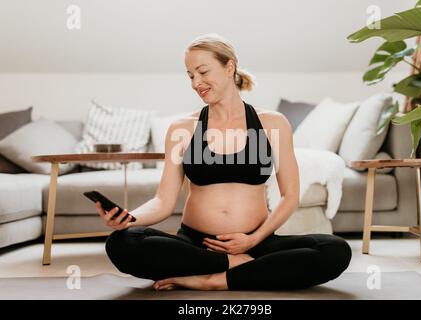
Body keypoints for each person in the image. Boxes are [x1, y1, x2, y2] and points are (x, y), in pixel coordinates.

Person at [96, 33, 351, 291]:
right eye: (190, 75)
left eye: (203, 72)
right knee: (122, 243)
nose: (196, 83)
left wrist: (252, 240)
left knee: (335, 250)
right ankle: (234, 265)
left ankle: (212, 278)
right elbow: (163, 201)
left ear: (229, 67)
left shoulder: (273, 124)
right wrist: (129, 218)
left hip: (257, 242)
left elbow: (291, 195)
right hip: (196, 245)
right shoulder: (181, 129)